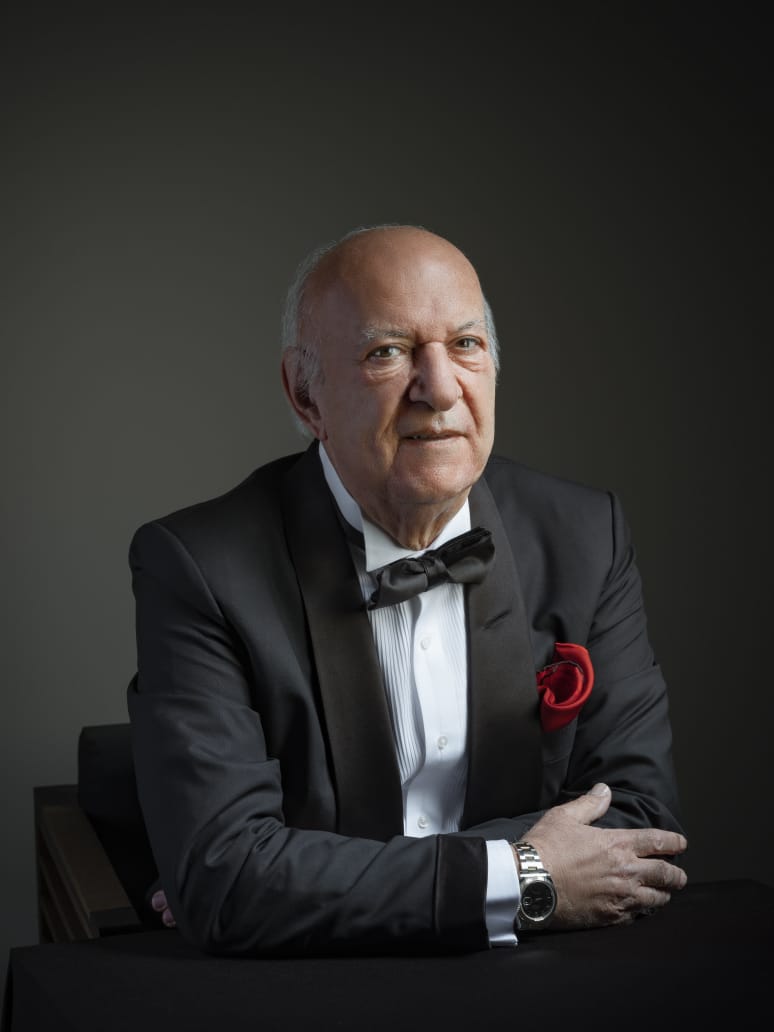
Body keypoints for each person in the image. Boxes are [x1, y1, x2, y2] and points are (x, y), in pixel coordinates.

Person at [127, 223, 687, 955]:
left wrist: (305, 874)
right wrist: (524, 874)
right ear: (306, 394)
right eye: (387, 353)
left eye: (466, 344)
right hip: (317, 992)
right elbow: (229, 882)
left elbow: (640, 826)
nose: (441, 388)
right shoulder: (200, 565)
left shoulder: (585, 536)